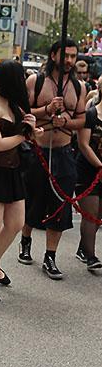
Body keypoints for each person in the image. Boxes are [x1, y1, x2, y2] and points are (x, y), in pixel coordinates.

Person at [0, 61, 42, 303]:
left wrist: (31, 129)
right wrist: (24, 135)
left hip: (11, 169)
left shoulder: (12, 101)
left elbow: (16, 135)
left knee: (16, 223)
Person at [19, 39, 87, 279]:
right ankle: (25, 240)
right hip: (38, 151)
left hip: (65, 152)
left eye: (72, 56)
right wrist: (46, 111)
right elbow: (22, 112)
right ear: (52, 55)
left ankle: (50, 256)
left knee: (60, 206)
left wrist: (66, 122)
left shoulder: (79, 87)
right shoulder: (35, 82)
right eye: (65, 56)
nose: (69, 61)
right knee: (33, 200)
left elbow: (81, 120)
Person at [74, 85, 102, 269]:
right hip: (88, 169)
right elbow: (83, 144)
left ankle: (83, 248)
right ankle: (91, 256)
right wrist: (100, 165)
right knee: (90, 214)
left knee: (99, 213)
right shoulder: (90, 114)